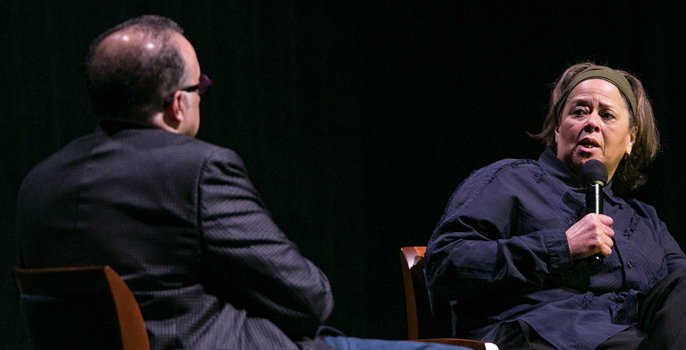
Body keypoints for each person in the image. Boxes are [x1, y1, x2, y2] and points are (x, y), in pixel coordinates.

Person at [15, 15, 462, 350]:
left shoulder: (38, 184)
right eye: (200, 87)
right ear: (177, 105)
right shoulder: (198, 168)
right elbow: (309, 298)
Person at [424, 62, 686, 350]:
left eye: (607, 115)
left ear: (630, 139)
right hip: (537, 337)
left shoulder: (641, 220)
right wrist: (560, 246)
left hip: (626, 339)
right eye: (579, 111)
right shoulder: (509, 180)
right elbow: (445, 264)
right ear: (557, 128)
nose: (591, 123)